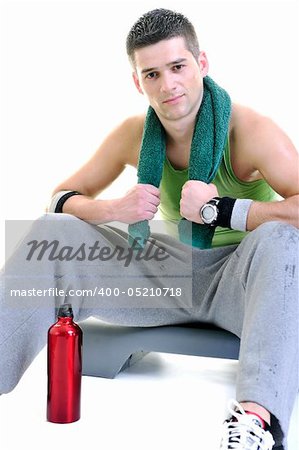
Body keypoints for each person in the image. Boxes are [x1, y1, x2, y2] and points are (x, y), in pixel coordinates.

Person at [0, 8, 298, 450]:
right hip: (172, 273)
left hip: (248, 277)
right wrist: (112, 208)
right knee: (52, 230)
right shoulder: (133, 133)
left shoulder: (251, 131)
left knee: (281, 238)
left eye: (178, 67)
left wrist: (222, 211)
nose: (168, 85)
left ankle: (255, 422)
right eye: (152, 74)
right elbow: (58, 197)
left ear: (202, 64)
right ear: (138, 82)